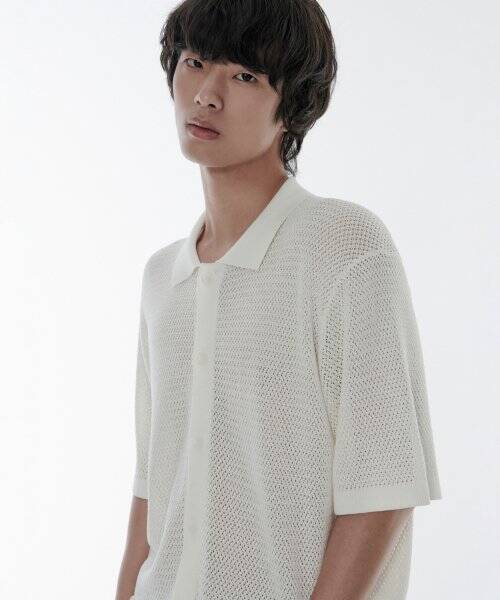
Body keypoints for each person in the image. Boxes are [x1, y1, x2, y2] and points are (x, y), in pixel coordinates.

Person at [115, 1, 442, 599]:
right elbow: (152, 486)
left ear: (293, 105)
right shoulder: (162, 278)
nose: (207, 95)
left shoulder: (344, 248)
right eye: (194, 62)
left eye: (245, 75)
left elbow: (383, 483)